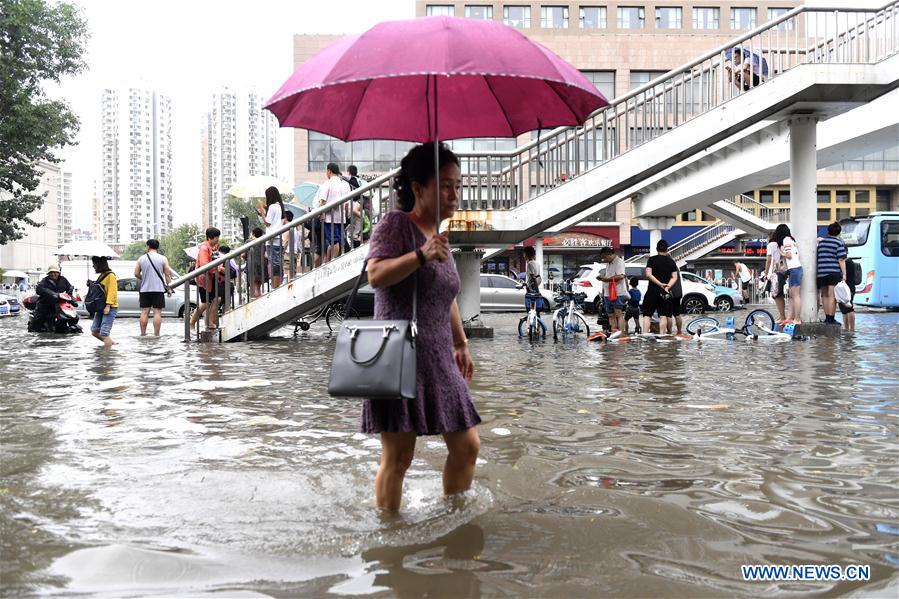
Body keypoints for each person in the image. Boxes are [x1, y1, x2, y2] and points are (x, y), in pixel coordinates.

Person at [364, 142, 480, 512]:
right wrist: (419, 254)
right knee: (399, 458)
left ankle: (453, 519)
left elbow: (444, 296)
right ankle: (389, 537)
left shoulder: (441, 236)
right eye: (445, 185)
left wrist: (461, 343)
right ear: (418, 188)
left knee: (467, 445)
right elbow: (375, 275)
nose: (454, 194)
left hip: (438, 357)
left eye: (458, 185)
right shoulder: (396, 225)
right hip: (399, 355)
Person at [135, 238, 172, 336]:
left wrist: (144, 277)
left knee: (144, 312)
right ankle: (156, 335)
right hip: (158, 289)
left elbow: (136, 273)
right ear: (157, 247)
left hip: (145, 289)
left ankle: (143, 334)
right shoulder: (163, 258)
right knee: (157, 313)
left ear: (148, 247)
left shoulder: (141, 258)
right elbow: (167, 274)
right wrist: (169, 287)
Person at [316, 162, 352, 263]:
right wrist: (345, 215)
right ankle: (330, 261)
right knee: (337, 241)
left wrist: (321, 213)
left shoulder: (328, 183)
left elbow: (323, 200)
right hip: (341, 218)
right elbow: (347, 204)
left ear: (329, 171)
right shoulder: (344, 184)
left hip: (329, 217)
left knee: (333, 241)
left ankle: (333, 262)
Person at [641, 239, 678, 335]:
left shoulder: (651, 260)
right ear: (667, 249)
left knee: (647, 314)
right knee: (663, 315)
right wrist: (667, 286)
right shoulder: (671, 262)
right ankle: (662, 334)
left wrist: (659, 283)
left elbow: (648, 274)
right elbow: (675, 277)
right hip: (665, 291)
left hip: (652, 290)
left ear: (657, 249)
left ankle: (645, 334)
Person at [816, 222, 847, 325]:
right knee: (832, 296)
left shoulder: (821, 243)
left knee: (824, 295)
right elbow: (841, 260)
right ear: (838, 232)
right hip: (833, 272)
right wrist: (844, 274)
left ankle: (827, 318)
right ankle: (831, 318)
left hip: (821, 273)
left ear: (828, 231)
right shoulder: (838, 243)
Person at [190, 227, 221, 329]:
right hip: (204, 279)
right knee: (205, 302)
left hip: (211, 277)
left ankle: (209, 322)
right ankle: (191, 322)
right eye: (216, 237)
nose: (218, 239)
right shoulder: (204, 248)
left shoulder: (213, 247)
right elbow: (204, 265)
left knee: (215, 299)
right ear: (210, 237)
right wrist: (218, 269)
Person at [774, 223, 803, 324]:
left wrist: (781, 253)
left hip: (795, 269)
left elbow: (789, 255)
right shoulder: (791, 240)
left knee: (795, 295)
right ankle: (790, 318)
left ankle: (797, 319)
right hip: (794, 269)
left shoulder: (786, 240)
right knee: (791, 296)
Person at [257, 186, 284, 289]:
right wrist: (264, 208)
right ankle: (277, 284)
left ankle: (275, 286)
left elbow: (267, 223)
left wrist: (262, 210)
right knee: (276, 262)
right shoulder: (278, 206)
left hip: (272, 238)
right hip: (277, 238)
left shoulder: (273, 207)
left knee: (274, 263)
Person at [33, 265, 74, 330]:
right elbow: (39, 289)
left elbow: (69, 289)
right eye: (51, 272)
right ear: (48, 274)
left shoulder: (63, 279)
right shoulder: (45, 280)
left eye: (55, 272)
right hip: (45, 304)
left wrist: (72, 299)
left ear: (58, 273)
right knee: (38, 321)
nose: (53, 274)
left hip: (60, 305)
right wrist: (52, 294)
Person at [89, 256, 118, 348]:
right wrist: (91, 284)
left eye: (94, 264)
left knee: (104, 333)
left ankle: (106, 357)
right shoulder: (102, 275)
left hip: (109, 307)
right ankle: (111, 344)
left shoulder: (111, 276)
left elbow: (112, 292)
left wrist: (108, 306)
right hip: (100, 307)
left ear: (100, 264)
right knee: (94, 331)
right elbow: (101, 289)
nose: (93, 266)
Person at [598, 247, 626, 333]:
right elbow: (608, 277)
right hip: (607, 293)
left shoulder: (619, 262)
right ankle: (614, 332)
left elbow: (621, 276)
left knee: (618, 313)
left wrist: (606, 279)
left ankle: (620, 333)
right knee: (610, 314)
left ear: (609, 254)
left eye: (605, 257)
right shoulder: (608, 264)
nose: (604, 259)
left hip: (617, 292)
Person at [764, 230, 787, 323]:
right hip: (782, 272)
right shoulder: (781, 244)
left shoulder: (771, 245)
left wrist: (766, 273)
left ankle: (782, 316)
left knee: (776, 295)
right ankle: (782, 315)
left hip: (775, 273)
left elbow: (768, 260)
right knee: (779, 294)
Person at [523, 245, 543, 316]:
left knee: (530, 307)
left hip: (532, 287)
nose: (523, 255)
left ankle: (532, 323)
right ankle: (538, 324)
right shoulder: (536, 263)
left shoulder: (529, 264)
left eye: (524, 254)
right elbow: (538, 277)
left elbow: (533, 277)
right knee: (536, 309)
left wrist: (536, 290)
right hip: (537, 283)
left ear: (526, 254)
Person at [840, 256, 857, 331]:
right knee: (844, 309)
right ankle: (847, 329)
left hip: (846, 288)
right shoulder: (850, 261)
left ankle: (851, 329)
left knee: (848, 308)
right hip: (849, 287)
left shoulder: (846, 262)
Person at [249, 227, 267, 298]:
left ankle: (255, 301)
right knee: (258, 287)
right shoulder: (263, 243)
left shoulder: (249, 242)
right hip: (261, 264)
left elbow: (243, 254)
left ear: (253, 234)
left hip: (252, 265)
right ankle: (258, 299)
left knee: (254, 287)